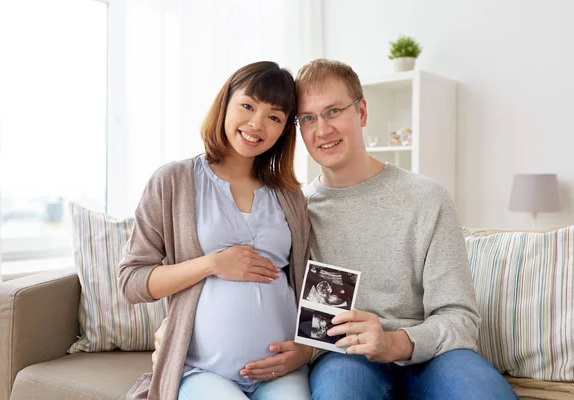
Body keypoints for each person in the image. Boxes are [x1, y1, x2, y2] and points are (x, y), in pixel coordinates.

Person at [153, 58, 520, 399]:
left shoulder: (426, 198)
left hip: (432, 354)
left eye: (333, 111)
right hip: (344, 356)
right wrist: (178, 335)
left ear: (361, 112)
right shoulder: (296, 209)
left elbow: (460, 318)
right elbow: (283, 301)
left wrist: (395, 342)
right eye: (308, 119)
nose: (322, 129)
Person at [118, 61, 313, 400]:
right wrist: (212, 264)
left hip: (280, 370)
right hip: (202, 370)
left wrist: (307, 350)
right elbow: (132, 282)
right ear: (225, 103)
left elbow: (313, 282)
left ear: (284, 130)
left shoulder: (290, 196)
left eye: (274, 117)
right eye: (248, 105)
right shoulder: (173, 181)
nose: (257, 124)